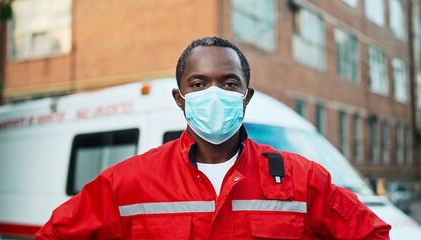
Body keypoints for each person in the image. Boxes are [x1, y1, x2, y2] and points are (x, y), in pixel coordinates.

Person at [36, 36, 391, 239]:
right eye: (199, 83)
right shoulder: (129, 182)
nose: (214, 92)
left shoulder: (302, 180)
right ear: (181, 99)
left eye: (229, 82)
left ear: (246, 97)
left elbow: (372, 234)